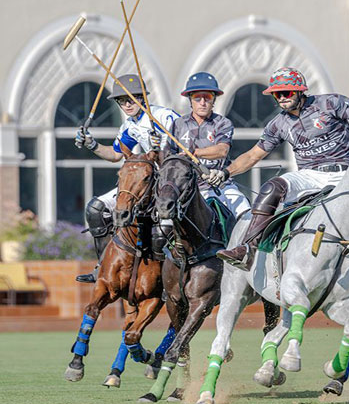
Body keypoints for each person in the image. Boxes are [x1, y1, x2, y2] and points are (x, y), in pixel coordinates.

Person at [208, 67, 349, 303]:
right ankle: (248, 248)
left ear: (300, 90)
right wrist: (225, 172)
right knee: (273, 186)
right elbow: (252, 156)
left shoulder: (330, 103)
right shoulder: (277, 124)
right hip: (309, 176)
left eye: (287, 91)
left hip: (345, 174)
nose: (283, 97)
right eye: (278, 94)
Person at [74, 74, 179, 283]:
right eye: (122, 101)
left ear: (142, 98)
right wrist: (91, 144)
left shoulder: (164, 116)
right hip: (143, 181)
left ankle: (171, 277)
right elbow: (115, 155)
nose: (127, 104)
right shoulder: (129, 126)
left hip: (169, 179)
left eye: (131, 98)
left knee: (164, 227)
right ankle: (103, 267)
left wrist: (160, 147)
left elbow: (179, 152)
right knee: (96, 209)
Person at [167, 72, 250, 220]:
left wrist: (193, 152)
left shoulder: (222, 123)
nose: (202, 102)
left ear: (214, 100)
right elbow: (168, 158)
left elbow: (222, 150)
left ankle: (247, 244)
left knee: (246, 212)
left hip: (221, 185)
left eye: (208, 98)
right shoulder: (178, 125)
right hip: (188, 189)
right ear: (190, 100)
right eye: (197, 98)